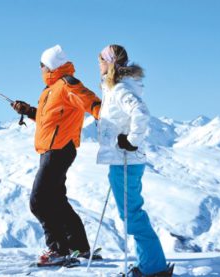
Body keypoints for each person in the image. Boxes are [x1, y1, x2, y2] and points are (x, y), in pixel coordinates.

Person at [11, 45, 102, 265]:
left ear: (50, 65)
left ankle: (57, 250)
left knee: (39, 200)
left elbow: (91, 101)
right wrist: (27, 110)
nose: (40, 68)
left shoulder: (67, 84)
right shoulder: (50, 89)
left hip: (60, 149)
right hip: (50, 149)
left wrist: (109, 118)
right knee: (56, 200)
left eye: (42, 65)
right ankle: (78, 247)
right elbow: (49, 119)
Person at [96, 44, 173, 276]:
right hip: (122, 159)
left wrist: (131, 140)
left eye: (100, 59)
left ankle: (154, 268)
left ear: (109, 62)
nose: (98, 64)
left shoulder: (119, 89)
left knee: (133, 216)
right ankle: (149, 265)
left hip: (126, 160)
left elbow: (140, 112)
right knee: (131, 214)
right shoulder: (114, 88)